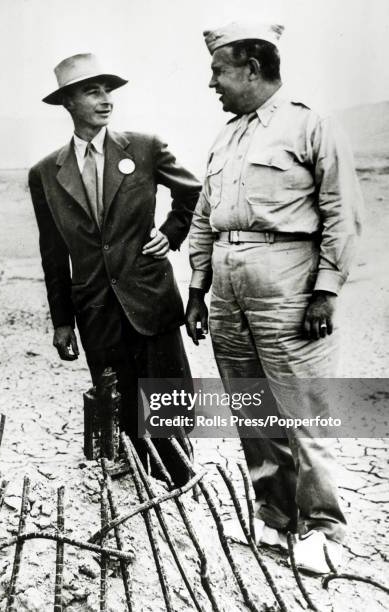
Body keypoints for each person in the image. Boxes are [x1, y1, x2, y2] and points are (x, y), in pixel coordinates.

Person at [186, 21, 363, 573]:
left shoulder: (311, 125)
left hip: (289, 285)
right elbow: (203, 217)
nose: (212, 82)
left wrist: (326, 290)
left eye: (219, 70)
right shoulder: (226, 137)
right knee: (252, 408)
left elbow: (341, 212)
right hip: (229, 292)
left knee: (303, 411)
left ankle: (323, 529)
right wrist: (197, 288)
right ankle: (278, 519)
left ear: (252, 68)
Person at [29, 53, 201, 486]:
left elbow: (195, 195)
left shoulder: (144, 147)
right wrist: (62, 322)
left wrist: (171, 232)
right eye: (93, 91)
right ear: (68, 101)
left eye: (108, 90)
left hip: (150, 301)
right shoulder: (46, 173)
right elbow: (53, 255)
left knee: (167, 405)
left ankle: (179, 487)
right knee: (118, 407)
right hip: (96, 313)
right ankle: (135, 492)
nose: (106, 99)